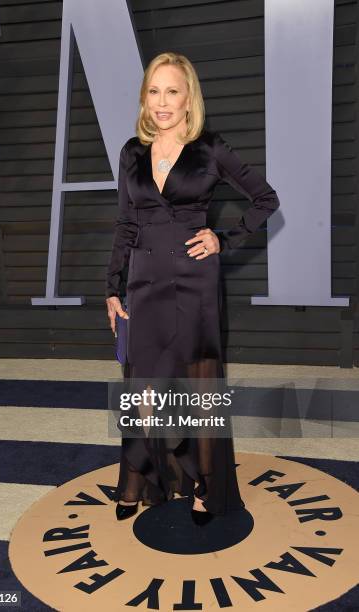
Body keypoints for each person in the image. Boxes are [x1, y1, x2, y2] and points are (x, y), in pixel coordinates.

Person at [105, 52, 280, 525]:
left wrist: (223, 239)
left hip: (194, 284)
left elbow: (265, 200)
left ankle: (204, 484)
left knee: (198, 391)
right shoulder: (131, 152)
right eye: (154, 91)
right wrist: (112, 288)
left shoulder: (210, 148)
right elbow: (125, 223)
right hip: (143, 284)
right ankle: (139, 479)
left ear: (189, 98)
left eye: (172, 91)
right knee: (143, 390)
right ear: (145, 97)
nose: (162, 102)